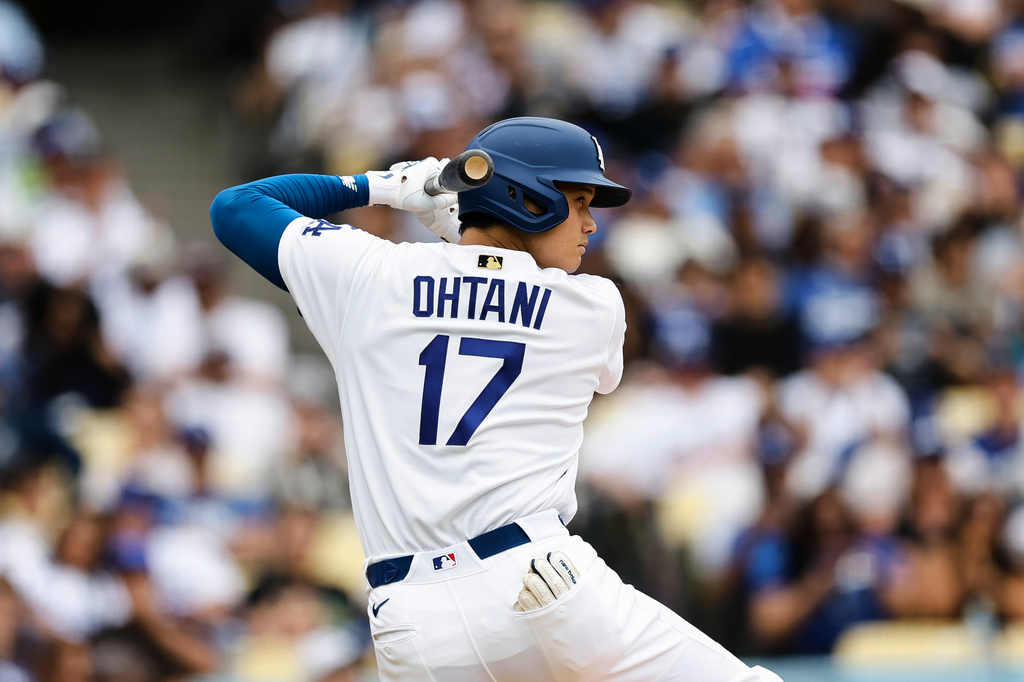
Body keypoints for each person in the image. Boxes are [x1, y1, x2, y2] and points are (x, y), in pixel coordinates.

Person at [211, 116, 781, 680]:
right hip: (539, 580)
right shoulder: (592, 306)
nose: (590, 224)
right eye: (579, 202)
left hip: (411, 620)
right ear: (529, 201)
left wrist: (382, 187)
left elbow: (237, 207)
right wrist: (455, 235)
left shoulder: (368, 274)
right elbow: (493, 283)